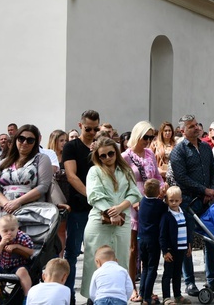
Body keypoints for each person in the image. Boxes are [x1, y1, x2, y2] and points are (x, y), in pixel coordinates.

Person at [81, 137, 141, 300]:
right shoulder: (94, 171)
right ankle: (92, 299)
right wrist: (110, 212)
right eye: (103, 156)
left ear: (116, 152)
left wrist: (120, 208)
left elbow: (135, 192)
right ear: (97, 157)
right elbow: (94, 195)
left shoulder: (126, 170)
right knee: (94, 263)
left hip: (122, 221)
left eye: (111, 153)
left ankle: (119, 298)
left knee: (120, 261)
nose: (107, 158)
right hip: (98, 222)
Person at [168, 114, 214, 296]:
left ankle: (213, 280)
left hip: (207, 202)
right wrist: (203, 190)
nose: (197, 128)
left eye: (197, 125)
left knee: (212, 240)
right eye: (191, 126)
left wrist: (211, 189)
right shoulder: (178, 151)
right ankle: (189, 282)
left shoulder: (206, 147)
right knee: (186, 243)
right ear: (182, 131)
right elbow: (181, 178)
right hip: (189, 203)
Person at [122, 121, 165, 302]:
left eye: (151, 137)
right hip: (134, 203)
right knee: (133, 249)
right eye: (145, 137)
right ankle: (132, 288)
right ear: (137, 135)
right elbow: (123, 182)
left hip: (151, 204)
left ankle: (147, 289)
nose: (148, 141)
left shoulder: (149, 154)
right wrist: (133, 201)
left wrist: (163, 187)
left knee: (150, 248)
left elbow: (157, 175)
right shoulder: (126, 156)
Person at [63, 109, 100, 292]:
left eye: (95, 129)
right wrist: (91, 196)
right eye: (88, 129)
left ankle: (93, 295)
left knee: (97, 254)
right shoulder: (71, 147)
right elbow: (71, 176)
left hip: (98, 208)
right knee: (72, 253)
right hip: (78, 207)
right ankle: (68, 295)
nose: (92, 133)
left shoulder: (100, 147)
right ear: (80, 126)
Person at [0, 124, 53, 216]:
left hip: (31, 212)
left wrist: (17, 202)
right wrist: (6, 204)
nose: (25, 142)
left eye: (30, 140)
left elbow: (43, 186)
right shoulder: (4, 162)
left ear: (35, 143)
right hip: (6, 214)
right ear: (16, 139)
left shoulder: (41, 159)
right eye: (21, 138)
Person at [138, 179, 167, 305]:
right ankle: (147, 298)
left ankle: (142, 293)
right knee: (152, 269)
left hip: (141, 240)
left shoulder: (142, 202)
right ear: (158, 191)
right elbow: (167, 209)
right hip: (153, 241)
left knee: (144, 268)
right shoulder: (160, 205)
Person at [160, 186, 190, 305]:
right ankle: (166, 297)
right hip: (171, 250)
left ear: (180, 200)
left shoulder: (183, 214)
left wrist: (188, 245)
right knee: (168, 273)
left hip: (181, 249)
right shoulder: (166, 216)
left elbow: (187, 230)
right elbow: (162, 236)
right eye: (171, 200)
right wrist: (165, 251)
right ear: (167, 200)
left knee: (177, 273)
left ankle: (177, 295)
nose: (173, 203)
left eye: (176, 201)